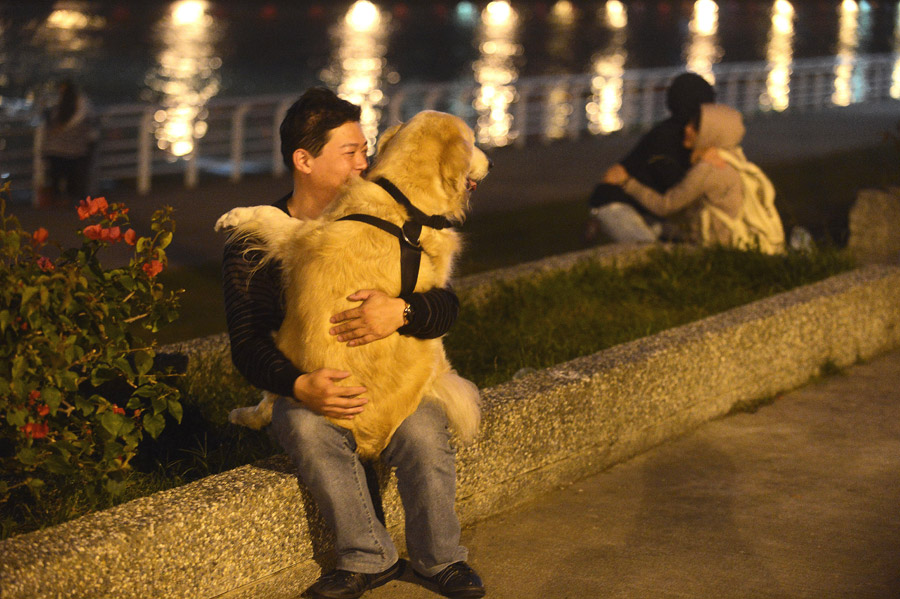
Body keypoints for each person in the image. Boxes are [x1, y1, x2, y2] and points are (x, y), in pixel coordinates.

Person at [221, 87, 486, 599]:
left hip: (395, 381)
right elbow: (247, 342)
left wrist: (402, 311)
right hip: (315, 388)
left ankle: (441, 560)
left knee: (425, 432)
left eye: (366, 149)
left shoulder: (392, 216)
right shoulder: (256, 237)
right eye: (350, 153)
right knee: (307, 428)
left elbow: (446, 307)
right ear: (304, 159)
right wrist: (299, 384)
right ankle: (368, 558)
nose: (365, 164)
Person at [603, 102, 782, 250]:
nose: (687, 129)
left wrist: (627, 182)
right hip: (739, 242)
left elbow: (666, 205)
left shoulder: (708, 169)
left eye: (696, 127)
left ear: (712, 133)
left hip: (720, 248)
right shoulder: (733, 156)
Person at [584, 72, 716, 243]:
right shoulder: (667, 138)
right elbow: (677, 194)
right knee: (648, 253)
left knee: (686, 245)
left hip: (644, 208)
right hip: (616, 202)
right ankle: (599, 221)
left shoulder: (680, 132)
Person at [40, 80, 100, 208]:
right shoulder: (80, 102)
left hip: (66, 147)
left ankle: (64, 199)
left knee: (64, 174)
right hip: (75, 147)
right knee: (75, 175)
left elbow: (76, 120)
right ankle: (74, 200)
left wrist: (60, 129)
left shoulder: (76, 103)